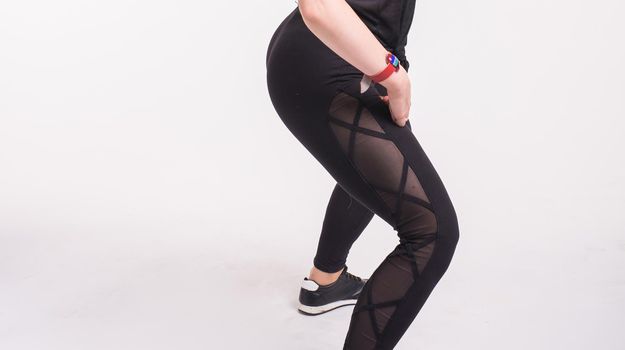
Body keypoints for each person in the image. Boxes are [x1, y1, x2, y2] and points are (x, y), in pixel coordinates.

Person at [265, 0, 460, 348]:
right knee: (433, 232)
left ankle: (326, 280)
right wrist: (393, 77)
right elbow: (319, 5)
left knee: (379, 170)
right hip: (326, 65)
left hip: (357, 53)